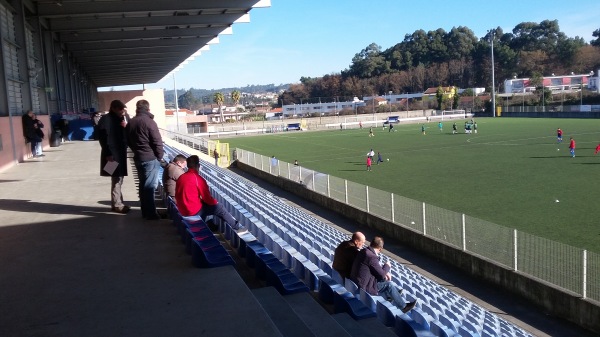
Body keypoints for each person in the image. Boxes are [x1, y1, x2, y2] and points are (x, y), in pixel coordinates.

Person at [175, 155, 247, 234]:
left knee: (206, 206)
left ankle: (210, 226)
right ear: (198, 166)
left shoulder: (181, 177)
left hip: (182, 209)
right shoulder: (198, 179)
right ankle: (236, 227)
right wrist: (215, 202)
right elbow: (208, 199)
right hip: (192, 211)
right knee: (219, 208)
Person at [350, 236, 416, 313]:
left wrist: (384, 272)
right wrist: (387, 266)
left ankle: (391, 295)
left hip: (357, 281)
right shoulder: (371, 257)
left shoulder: (364, 251)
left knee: (383, 279)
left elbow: (376, 270)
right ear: (380, 249)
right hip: (364, 286)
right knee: (389, 284)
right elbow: (381, 274)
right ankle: (404, 307)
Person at [126, 99, 165, 220]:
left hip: (138, 157)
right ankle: (151, 214)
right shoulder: (150, 122)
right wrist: (159, 156)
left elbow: (128, 141)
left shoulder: (131, 122)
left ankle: (145, 211)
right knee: (149, 187)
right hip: (150, 158)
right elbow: (157, 142)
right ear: (148, 109)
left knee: (143, 186)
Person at [98, 100, 131, 214]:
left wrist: (125, 124)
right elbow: (102, 138)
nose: (123, 112)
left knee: (119, 178)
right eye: (120, 109)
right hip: (112, 154)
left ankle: (118, 202)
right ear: (114, 108)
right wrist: (108, 154)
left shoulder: (121, 119)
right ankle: (117, 204)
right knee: (116, 178)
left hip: (119, 153)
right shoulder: (106, 120)